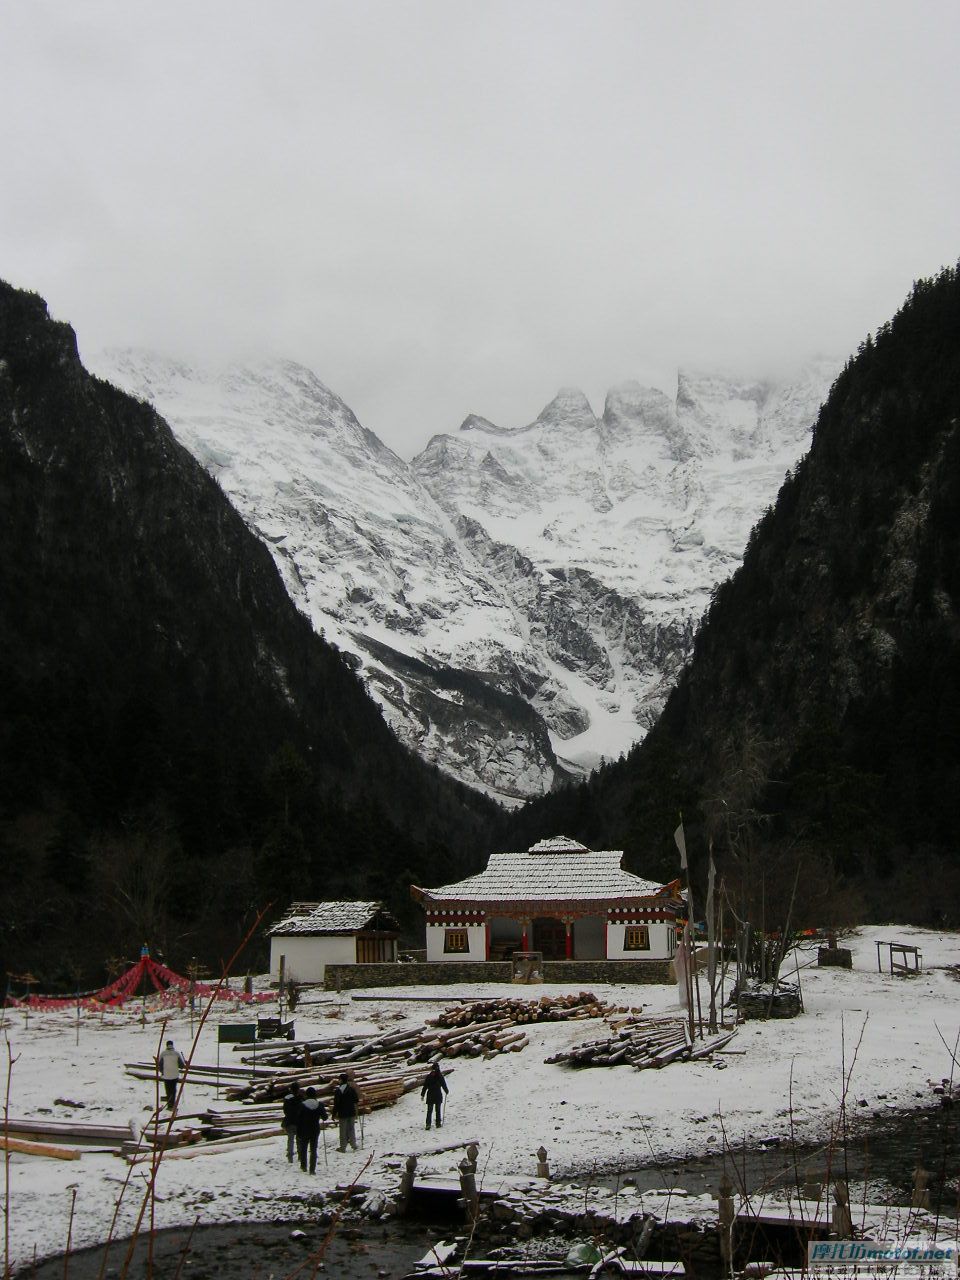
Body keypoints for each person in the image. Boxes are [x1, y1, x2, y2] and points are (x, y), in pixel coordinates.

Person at [295, 1086, 327, 1174]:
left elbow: (298, 1117)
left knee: (303, 1147)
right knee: (313, 1149)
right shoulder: (319, 1104)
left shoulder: (302, 1105)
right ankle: (312, 1169)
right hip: (315, 1129)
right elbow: (325, 1117)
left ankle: (303, 1165)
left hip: (304, 1128)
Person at [332, 1072, 360, 1152]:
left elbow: (336, 1104)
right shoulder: (351, 1089)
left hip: (342, 1113)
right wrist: (356, 1111)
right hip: (351, 1112)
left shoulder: (338, 1091)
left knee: (343, 1131)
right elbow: (356, 1100)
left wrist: (333, 1114)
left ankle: (343, 1147)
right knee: (351, 1129)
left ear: (341, 1080)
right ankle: (353, 1144)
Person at [157, 1039, 186, 1109]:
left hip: (166, 1075)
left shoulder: (163, 1054)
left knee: (168, 1090)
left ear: (166, 1045)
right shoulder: (176, 1053)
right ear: (172, 1045)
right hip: (175, 1075)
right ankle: (172, 1104)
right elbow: (182, 1065)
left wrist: (163, 1072)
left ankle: (169, 1105)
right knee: (173, 1090)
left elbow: (159, 1065)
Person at [421, 1062, 448, 1130]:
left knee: (429, 1111)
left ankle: (428, 1124)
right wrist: (446, 1091)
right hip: (438, 1095)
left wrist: (422, 1094)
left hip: (430, 1095)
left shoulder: (429, 1076)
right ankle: (438, 1124)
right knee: (437, 1110)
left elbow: (425, 1086)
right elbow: (443, 1084)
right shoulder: (439, 1076)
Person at [282, 1080, 302, 1163]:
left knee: (290, 1139)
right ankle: (300, 1155)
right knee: (299, 1139)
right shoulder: (301, 1098)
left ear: (291, 1089)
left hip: (290, 1121)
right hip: (299, 1122)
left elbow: (285, 1110)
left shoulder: (287, 1098)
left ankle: (290, 1156)